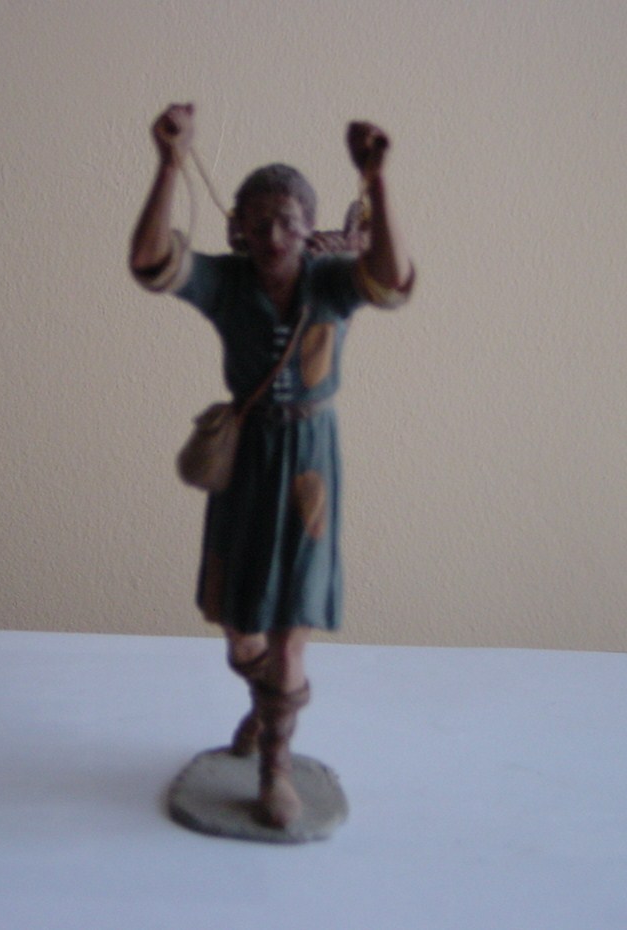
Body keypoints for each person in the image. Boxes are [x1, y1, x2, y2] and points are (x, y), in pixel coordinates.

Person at [129, 102, 414, 829]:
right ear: (240, 230)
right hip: (249, 461)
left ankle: (276, 767)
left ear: (310, 225)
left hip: (311, 464)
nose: (274, 236)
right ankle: (265, 706)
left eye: (288, 221)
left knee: (291, 626)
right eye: (259, 223)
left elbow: (393, 279)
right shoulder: (227, 284)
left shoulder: (332, 282)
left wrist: (378, 181)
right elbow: (151, 262)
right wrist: (169, 163)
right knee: (241, 627)